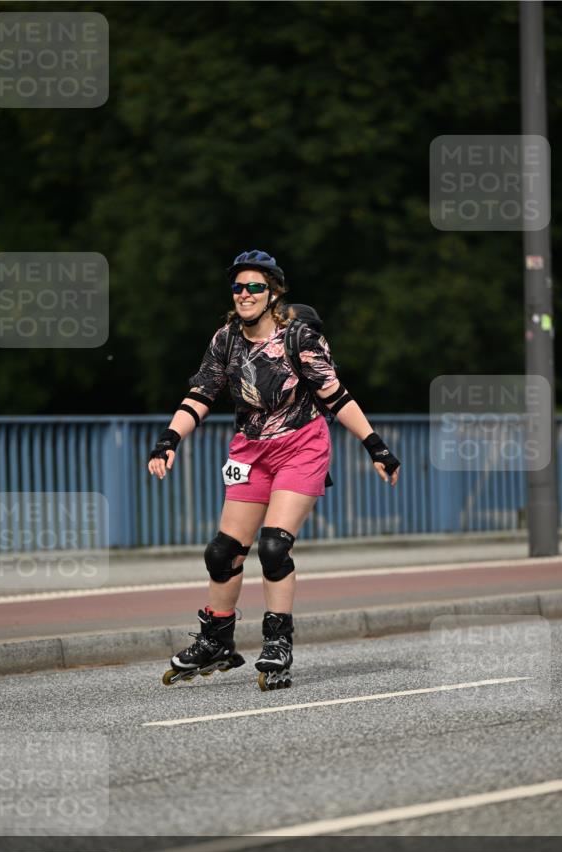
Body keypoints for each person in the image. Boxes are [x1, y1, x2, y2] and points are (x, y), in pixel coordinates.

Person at [148, 250, 400, 691]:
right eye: (239, 287)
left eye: (255, 287)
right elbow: (200, 396)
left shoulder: (298, 338)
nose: (245, 294)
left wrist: (375, 447)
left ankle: (278, 641)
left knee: (273, 548)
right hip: (250, 451)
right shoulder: (225, 340)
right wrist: (169, 440)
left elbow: (336, 396)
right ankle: (216, 639)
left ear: (273, 293)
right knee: (223, 553)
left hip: (302, 445)